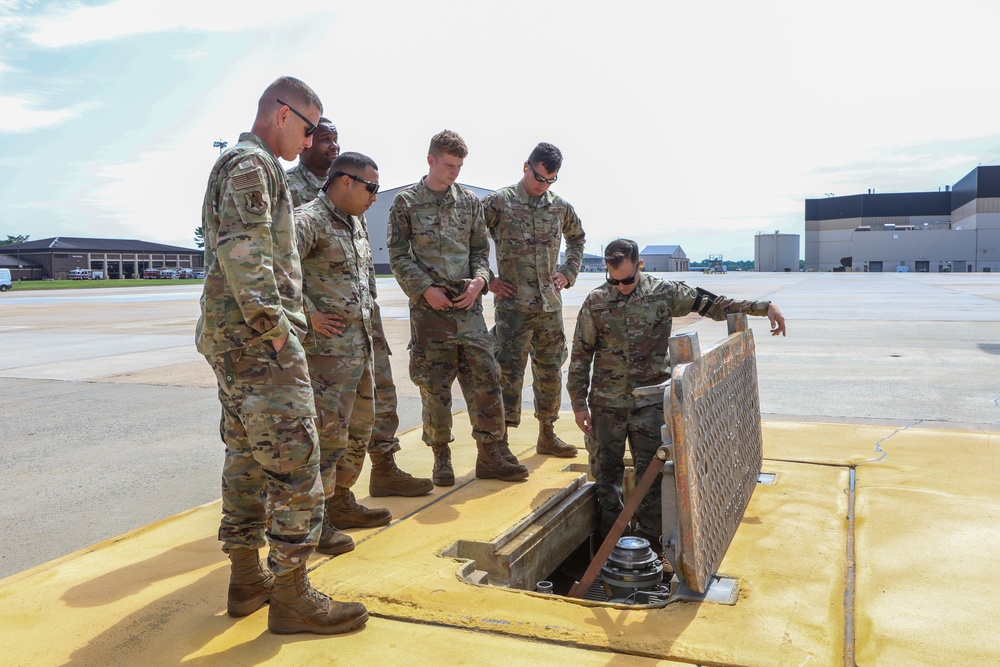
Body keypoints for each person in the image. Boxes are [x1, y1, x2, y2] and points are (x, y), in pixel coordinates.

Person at [196, 76, 367, 636]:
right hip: (258, 345)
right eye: (311, 127)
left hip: (234, 343)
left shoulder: (245, 164)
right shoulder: (254, 165)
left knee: (246, 460)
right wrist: (278, 334)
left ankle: (247, 580)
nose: (314, 139)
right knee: (297, 467)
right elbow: (245, 256)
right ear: (282, 113)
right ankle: (292, 594)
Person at [566, 238, 786, 543]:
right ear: (606, 269)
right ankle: (611, 551)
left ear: (639, 266)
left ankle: (649, 549)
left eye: (628, 279)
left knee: (652, 482)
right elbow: (580, 354)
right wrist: (579, 405)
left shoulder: (664, 292)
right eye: (614, 280)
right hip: (607, 408)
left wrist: (763, 307)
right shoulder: (596, 301)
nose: (622, 286)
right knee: (606, 482)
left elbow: (714, 304)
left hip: (649, 406)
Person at [296, 152, 432, 552]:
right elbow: (271, 272)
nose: (375, 196)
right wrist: (308, 313)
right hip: (325, 357)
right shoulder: (307, 221)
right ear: (345, 182)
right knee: (326, 437)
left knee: (359, 430)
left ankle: (339, 501)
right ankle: (312, 521)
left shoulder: (354, 223)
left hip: (359, 349)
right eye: (371, 188)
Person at [387, 130, 528, 486]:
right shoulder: (406, 203)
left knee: (487, 379)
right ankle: (441, 457)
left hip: (468, 311)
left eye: (460, 166)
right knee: (435, 387)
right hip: (430, 314)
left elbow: (481, 252)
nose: (455, 172)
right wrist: (424, 289)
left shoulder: (468, 202)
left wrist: (481, 281)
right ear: (431, 160)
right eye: (449, 165)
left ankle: (492, 454)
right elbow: (398, 255)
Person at [483, 142, 586, 461]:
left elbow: (577, 238)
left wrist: (568, 271)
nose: (543, 186)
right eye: (540, 178)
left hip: (550, 309)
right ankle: (500, 442)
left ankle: (547, 434)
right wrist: (487, 278)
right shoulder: (499, 202)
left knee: (550, 371)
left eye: (551, 181)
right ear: (526, 167)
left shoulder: (559, 206)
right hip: (513, 309)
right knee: (508, 374)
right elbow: (468, 237)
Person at [286, 118, 339, 208]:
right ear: (306, 145)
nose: (334, 146)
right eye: (326, 139)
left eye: (335, 140)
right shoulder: (286, 184)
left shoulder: (342, 185)